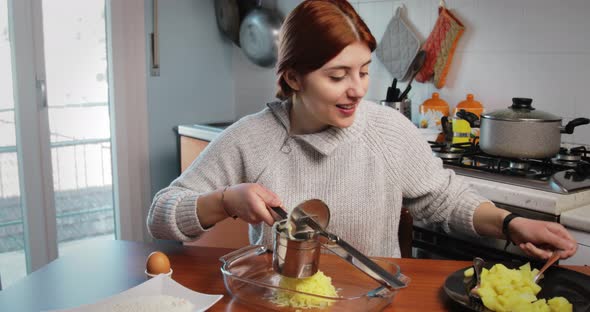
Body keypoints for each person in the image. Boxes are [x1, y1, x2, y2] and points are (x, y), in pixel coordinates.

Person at [147, 0, 577, 260]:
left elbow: (444, 199)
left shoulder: (387, 129)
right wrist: (224, 200)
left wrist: (511, 223)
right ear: (294, 78)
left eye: (364, 71)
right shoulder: (251, 138)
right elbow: (162, 215)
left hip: (374, 299)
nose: (356, 90)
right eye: (337, 76)